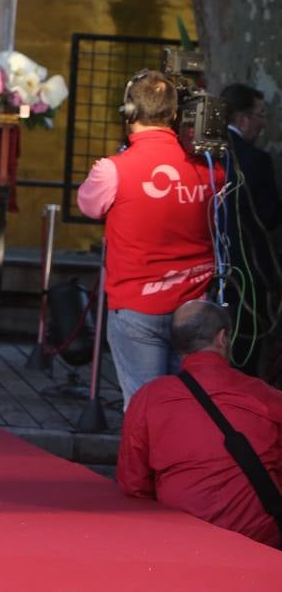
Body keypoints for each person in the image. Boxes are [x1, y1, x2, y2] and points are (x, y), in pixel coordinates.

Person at [77, 70, 222, 407]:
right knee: (192, 406)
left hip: (138, 305)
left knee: (146, 408)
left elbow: (89, 205)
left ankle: (147, 462)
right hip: (196, 303)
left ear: (129, 112)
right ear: (174, 114)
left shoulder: (113, 169)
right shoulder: (211, 168)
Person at [117, 300, 282, 547]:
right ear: (223, 337)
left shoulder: (148, 399)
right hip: (258, 543)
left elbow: (134, 484)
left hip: (179, 540)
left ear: (178, 344)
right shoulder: (266, 398)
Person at [219, 84, 279, 375]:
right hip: (245, 273)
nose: (263, 123)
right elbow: (267, 218)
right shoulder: (255, 160)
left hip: (205, 267)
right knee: (244, 356)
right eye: (260, 115)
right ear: (242, 118)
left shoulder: (204, 153)